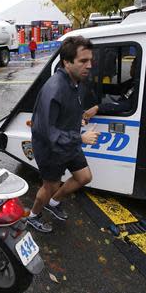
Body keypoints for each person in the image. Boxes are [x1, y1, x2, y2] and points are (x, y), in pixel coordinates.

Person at [27, 36, 100, 233]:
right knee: (49, 186)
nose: (89, 65)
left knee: (84, 177)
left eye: (90, 60)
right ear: (66, 62)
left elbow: (68, 111)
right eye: (83, 61)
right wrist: (81, 138)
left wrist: (85, 114)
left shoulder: (76, 81)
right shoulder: (54, 88)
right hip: (51, 149)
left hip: (69, 142)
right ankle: (33, 216)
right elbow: (47, 132)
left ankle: (54, 202)